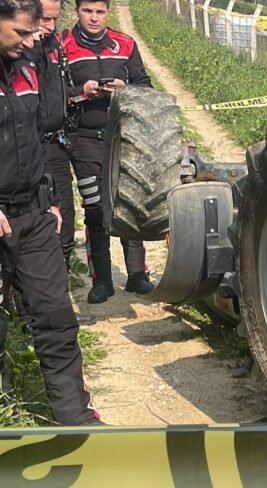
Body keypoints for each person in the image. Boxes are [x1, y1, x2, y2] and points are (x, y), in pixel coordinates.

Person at [0, 0, 99, 425]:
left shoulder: (26, 67)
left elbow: (40, 138)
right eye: (22, 31)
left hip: (34, 214)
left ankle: (74, 422)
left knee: (57, 319)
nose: (34, 37)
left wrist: (53, 197)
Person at [62, 0, 154, 304]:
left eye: (100, 12)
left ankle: (138, 274)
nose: (93, 18)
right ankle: (100, 281)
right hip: (84, 138)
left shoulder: (125, 44)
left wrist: (124, 88)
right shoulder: (62, 45)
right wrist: (81, 92)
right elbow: (53, 96)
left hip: (123, 135)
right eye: (87, 11)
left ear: (108, 13)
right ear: (77, 11)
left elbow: (146, 87)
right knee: (95, 207)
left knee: (130, 203)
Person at [32, 0, 94, 326]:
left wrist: (78, 92)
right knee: (38, 230)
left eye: (55, 19)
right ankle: (37, 309)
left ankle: (58, 302)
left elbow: (58, 91)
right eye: (44, 19)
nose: (50, 26)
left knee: (65, 226)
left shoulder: (54, 44)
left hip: (56, 145)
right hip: (30, 149)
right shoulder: (20, 54)